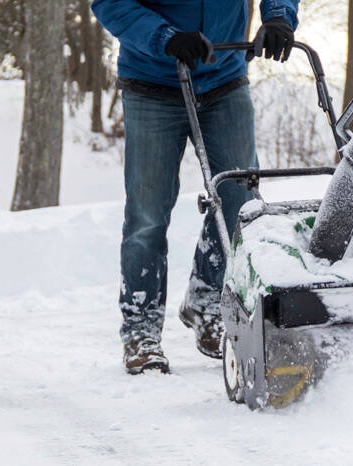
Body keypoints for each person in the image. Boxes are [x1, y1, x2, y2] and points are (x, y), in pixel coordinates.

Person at [91, 0, 300, 374]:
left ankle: (205, 300)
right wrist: (165, 38)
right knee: (147, 215)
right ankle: (141, 330)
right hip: (153, 80)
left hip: (224, 77)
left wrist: (278, 16)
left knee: (240, 201)